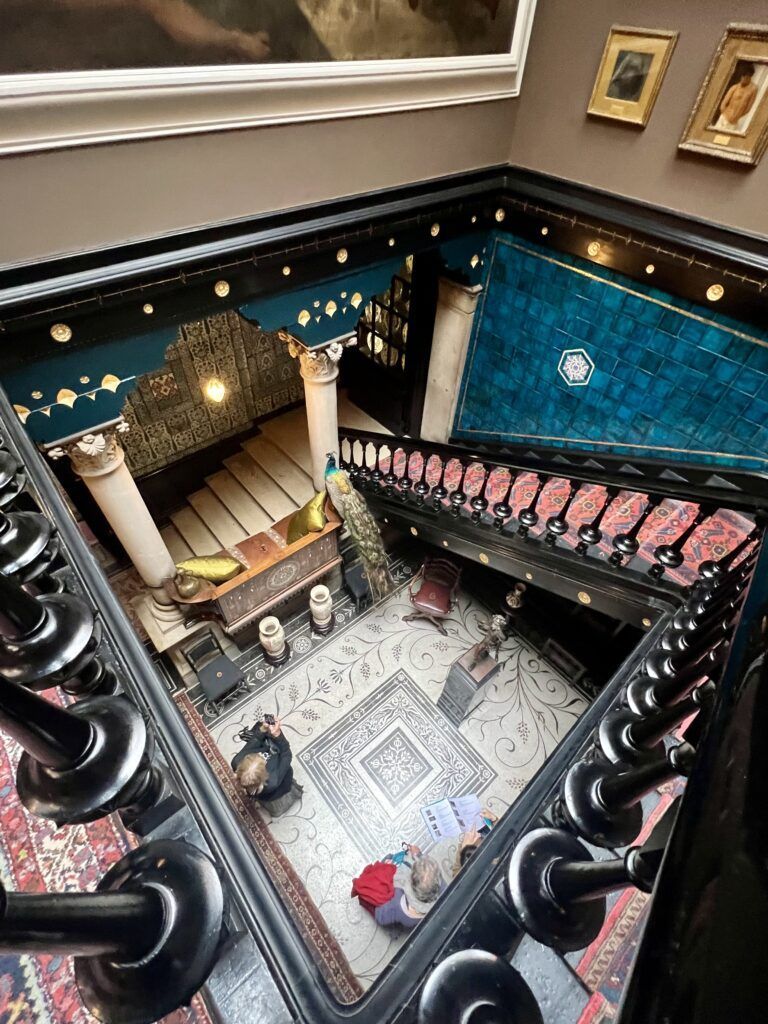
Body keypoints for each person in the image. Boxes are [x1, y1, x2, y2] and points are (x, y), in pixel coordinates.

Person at [231, 717, 303, 816]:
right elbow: (286, 754)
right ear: (265, 775)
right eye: (263, 761)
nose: (262, 756)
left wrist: (263, 729)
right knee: (283, 791)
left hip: (260, 793)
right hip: (278, 789)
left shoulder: (236, 761)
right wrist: (278, 735)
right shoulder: (272, 781)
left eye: (257, 756)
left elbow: (254, 740)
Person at [374, 855, 444, 929]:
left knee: (387, 860)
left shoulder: (397, 901)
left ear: (410, 881)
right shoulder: (443, 887)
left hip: (402, 917)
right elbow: (429, 877)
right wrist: (419, 854)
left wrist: (388, 870)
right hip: (417, 919)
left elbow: (380, 917)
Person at [716, 63, 758, 132]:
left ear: (749, 77)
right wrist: (725, 115)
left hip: (734, 122)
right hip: (724, 118)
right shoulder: (734, 87)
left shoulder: (753, 89)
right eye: (742, 77)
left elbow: (748, 108)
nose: (743, 79)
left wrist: (737, 117)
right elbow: (723, 104)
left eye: (745, 77)